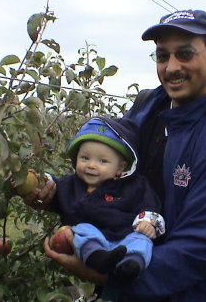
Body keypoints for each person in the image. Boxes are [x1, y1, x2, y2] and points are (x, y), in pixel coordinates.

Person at [33, 9, 206, 302]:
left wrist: (104, 275)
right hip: (142, 276)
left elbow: (197, 251)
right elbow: (113, 178)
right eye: (163, 56)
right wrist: (60, 193)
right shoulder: (148, 108)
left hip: (202, 291)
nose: (171, 67)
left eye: (185, 54)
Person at [46, 116, 165, 285]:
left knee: (142, 241)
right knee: (81, 231)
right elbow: (53, 188)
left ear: (120, 167)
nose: (91, 165)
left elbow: (149, 204)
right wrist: (42, 182)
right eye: (85, 158)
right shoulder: (71, 184)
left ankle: (131, 266)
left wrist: (147, 223)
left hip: (126, 236)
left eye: (102, 161)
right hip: (94, 238)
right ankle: (98, 258)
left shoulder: (134, 186)